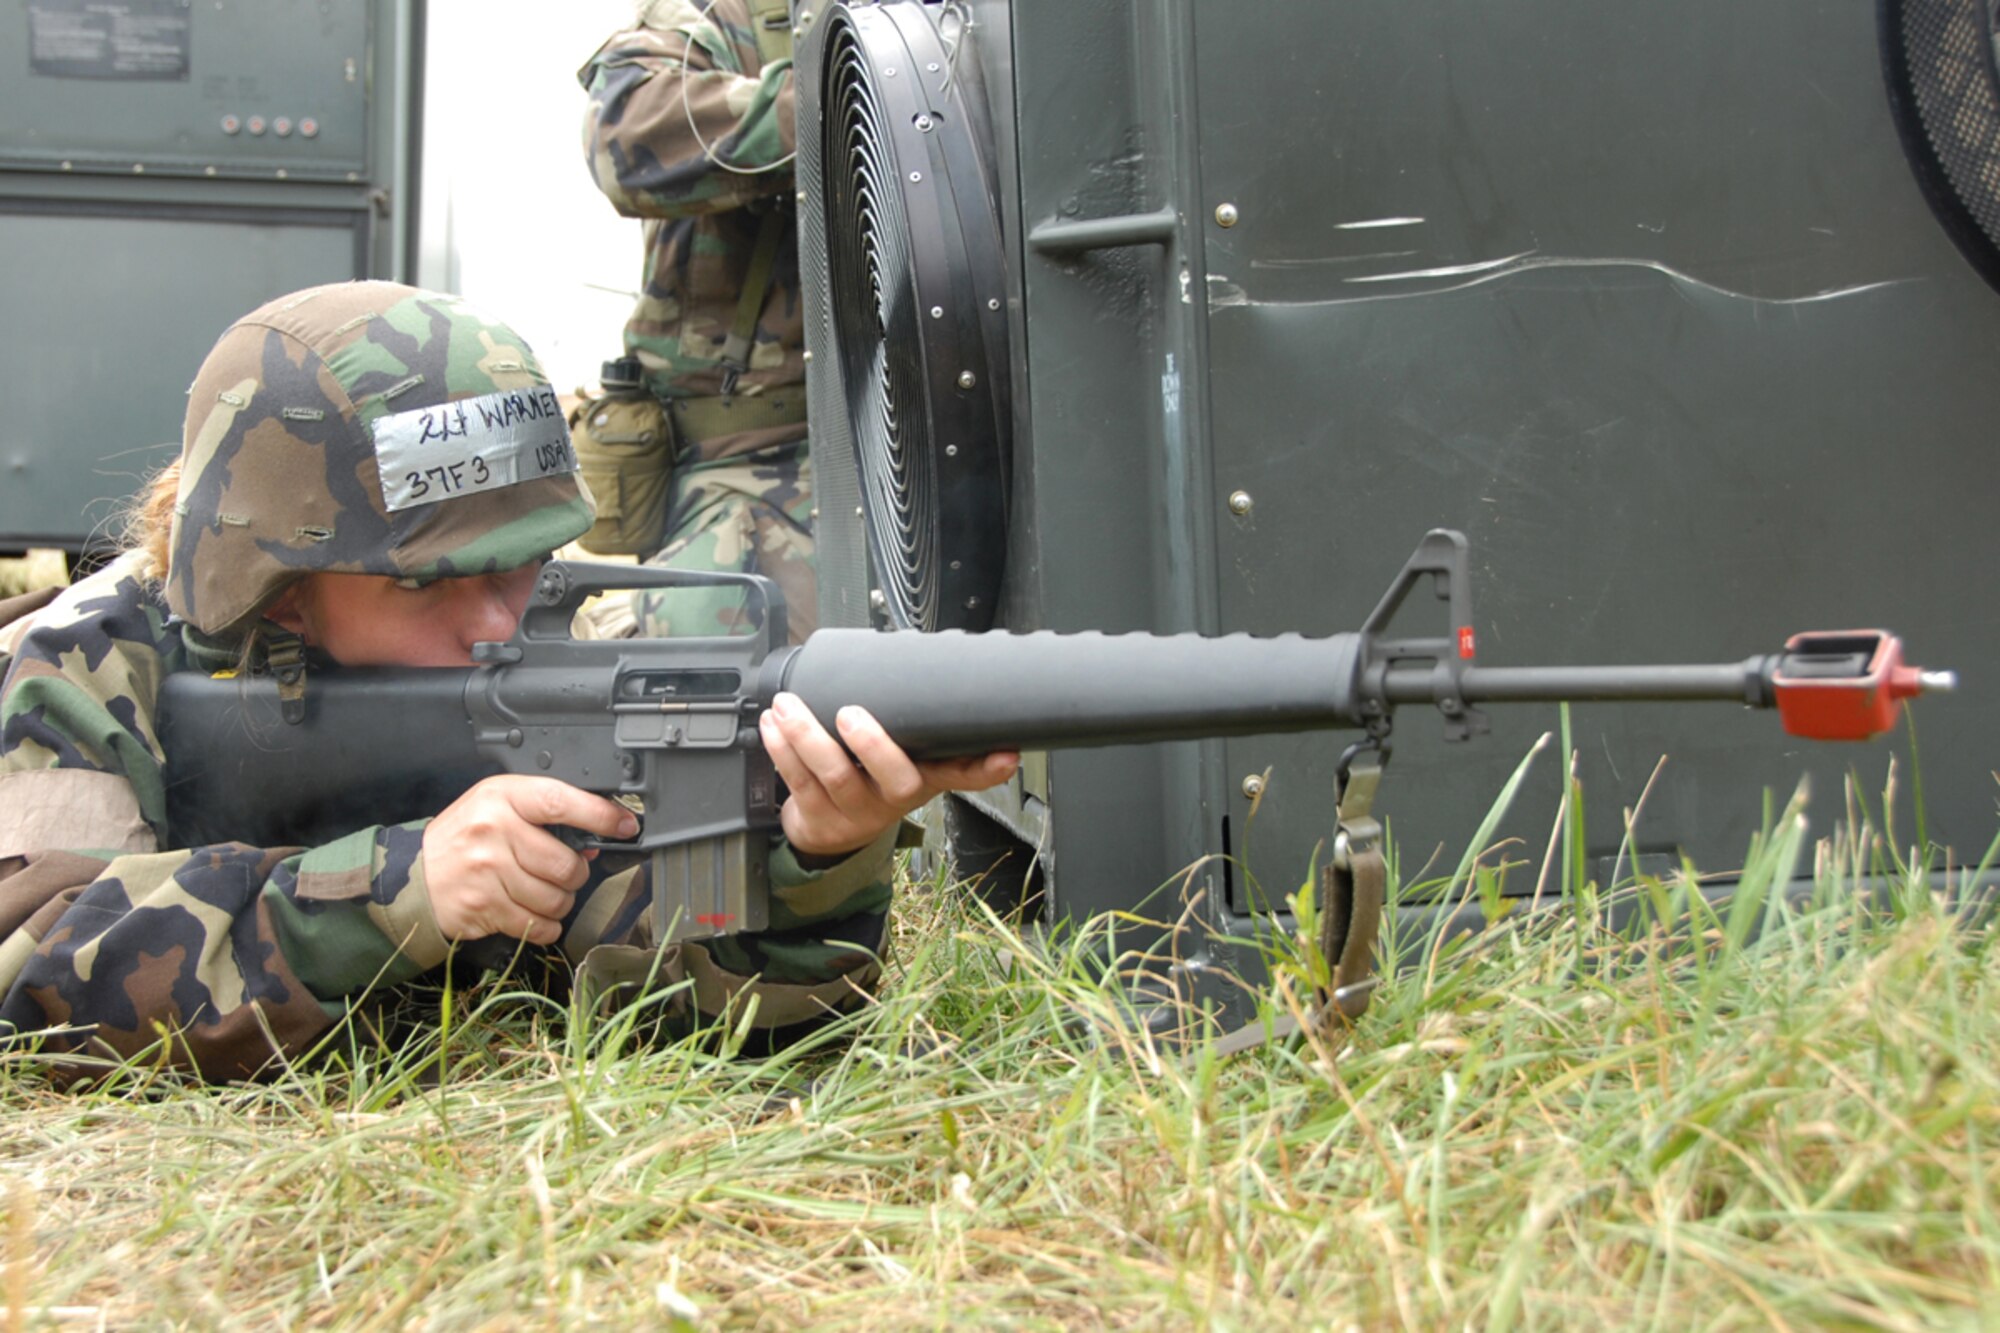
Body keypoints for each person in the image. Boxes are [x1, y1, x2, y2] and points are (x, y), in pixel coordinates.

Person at [0, 280, 1015, 1081]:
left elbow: (720, 1015)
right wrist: (396, 889)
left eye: (521, 562)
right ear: (280, 586)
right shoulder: (83, 659)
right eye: (429, 584)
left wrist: (814, 861)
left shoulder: (572, 647)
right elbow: (27, 967)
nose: (497, 619)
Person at [576, 0, 813, 642]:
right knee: (717, 702)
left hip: (931, 447)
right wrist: (844, 102)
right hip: (751, 464)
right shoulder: (731, 16)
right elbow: (627, 136)